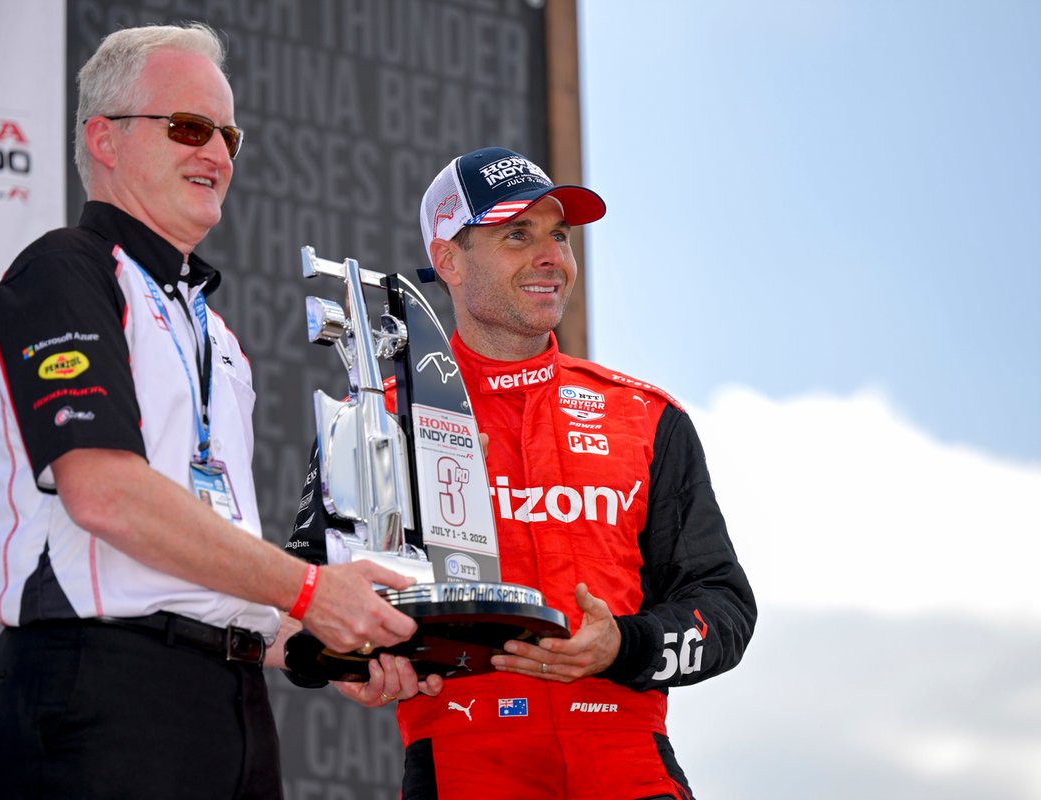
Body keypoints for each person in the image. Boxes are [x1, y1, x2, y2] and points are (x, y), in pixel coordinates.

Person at [0, 23, 427, 800]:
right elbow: (105, 493)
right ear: (105, 140)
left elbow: (208, 571)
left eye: (229, 135)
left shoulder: (214, 332)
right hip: (100, 695)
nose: (216, 155)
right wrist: (314, 593)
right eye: (188, 127)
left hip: (231, 701)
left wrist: (318, 643)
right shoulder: (65, 269)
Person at [285, 147, 757, 800]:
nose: (551, 257)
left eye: (558, 235)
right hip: (463, 760)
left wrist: (625, 644)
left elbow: (726, 611)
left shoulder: (647, 419)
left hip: (628, 761)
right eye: (517, 235)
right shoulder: (376, 417)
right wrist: (349, 662)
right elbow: (300, 606)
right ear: (448, 259)